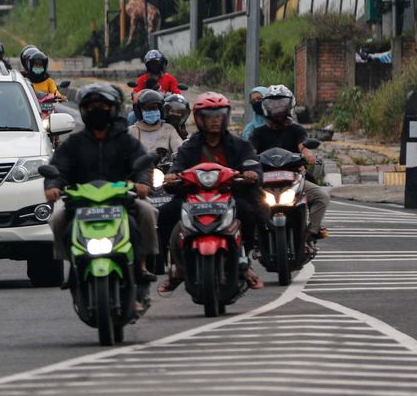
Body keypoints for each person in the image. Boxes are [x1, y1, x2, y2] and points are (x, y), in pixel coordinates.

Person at [44, 83, 158, 311]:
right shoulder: (74, 143)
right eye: (92, 106)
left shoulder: (126, 140)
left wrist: (144, 182)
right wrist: (53, 186)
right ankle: (72, 265)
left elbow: (142, 163)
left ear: (113, 109)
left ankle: (142, 266)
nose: (98, 110)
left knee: (148, 212)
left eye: (103, 106)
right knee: (56, 220)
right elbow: (58, 168)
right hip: (81, 203)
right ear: (84, 111)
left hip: (121, 201)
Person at [158, 92, 263, 292]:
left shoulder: (239, 144)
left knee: (249, 212)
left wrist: (251, 173)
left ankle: (245, 261)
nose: (215, 121)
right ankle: (177, 268)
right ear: (199, 119)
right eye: (209, 116)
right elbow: (176, 167)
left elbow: (253, 163)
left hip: (230, 196)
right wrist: (171, 177)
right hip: (194, 198)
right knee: (166, 213)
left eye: (219, 115)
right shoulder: (189, 146)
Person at [249, 84, 330, 241]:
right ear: (265, 108)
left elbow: (303, 146)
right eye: (273, 105)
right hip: (265, 181)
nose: (278, 109)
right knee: (245, 202)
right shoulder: (258, 132)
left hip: (293, 179)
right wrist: (247, 162)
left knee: (322, 196)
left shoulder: (296, 129)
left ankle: (311, 231)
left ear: (289, 106)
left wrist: (308, 155)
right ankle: (253, 236)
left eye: (281, 104)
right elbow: (250, 152)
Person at [129, 89, 183, 158]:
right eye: (147, 108)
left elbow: (179, 150)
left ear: (160, 110)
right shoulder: (131, 131)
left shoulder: (168, 129)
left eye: (155, 108)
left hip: (163, 168)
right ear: (140, 111)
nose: (152, 111)